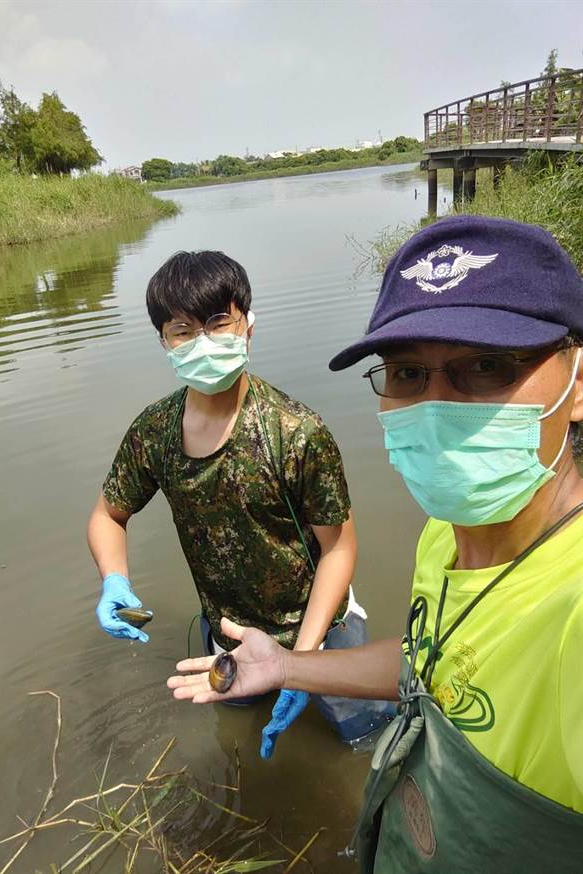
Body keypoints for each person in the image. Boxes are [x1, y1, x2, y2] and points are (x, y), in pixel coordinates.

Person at [167, 217, 583, 872]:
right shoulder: (445, 538)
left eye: (487, 366)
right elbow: (437, 663)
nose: (437, 404)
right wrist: (287, 666)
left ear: (577, 379)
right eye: (409, 372)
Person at [87, 250, 393, 758]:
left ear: (247, 325)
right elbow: (108, 515)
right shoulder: (154, 432)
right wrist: (113, 580)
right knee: (239, 737)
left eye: (217, 322)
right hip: (228, 636)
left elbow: (339, 549)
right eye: (182, 330)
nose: (201, 342)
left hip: (321, 628)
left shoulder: (296, 432)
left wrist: (301, 659)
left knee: (362, 736)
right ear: (163, 341)